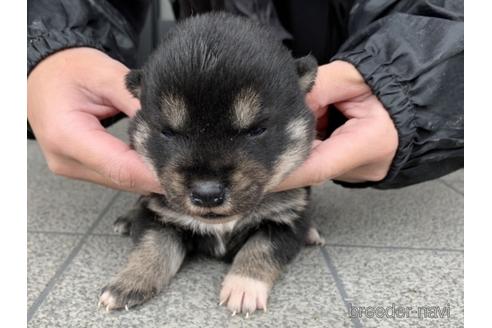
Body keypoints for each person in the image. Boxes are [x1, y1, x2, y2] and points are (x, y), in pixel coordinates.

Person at [27, 0, 464, 194]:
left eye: (254, 128)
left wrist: (408, 84)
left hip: (342, 81)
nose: (207, 180)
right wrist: (43, 47)